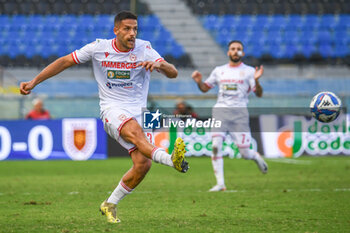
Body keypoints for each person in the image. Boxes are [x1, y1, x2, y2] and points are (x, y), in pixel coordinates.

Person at [20, 11, 189, 223]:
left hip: (138, 110)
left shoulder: (145, 48)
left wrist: (160, 65)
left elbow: (173, 73)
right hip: (112, 109)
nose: (132, 33)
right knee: (135, 132)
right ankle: (170, 159)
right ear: (116, 30)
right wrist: (34, 82)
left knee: (142, 165)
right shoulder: (99, 48)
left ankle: (110, 203)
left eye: (135, 29)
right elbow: (64, 62)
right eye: (127, 29)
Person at [192, 40, 268, 192]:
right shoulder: (219, 70)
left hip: (239, 114)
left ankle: (255, 156)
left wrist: (257, 81)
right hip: (220, 111)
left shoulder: (249, 71)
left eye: (239, 49)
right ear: (228, 52)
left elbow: (259, 94)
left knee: (245, 153)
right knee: (215, 146)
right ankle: (220, 184)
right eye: (233, 49)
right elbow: (205, 88)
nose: (235, 51)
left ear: (243, 53)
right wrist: (199, 82)